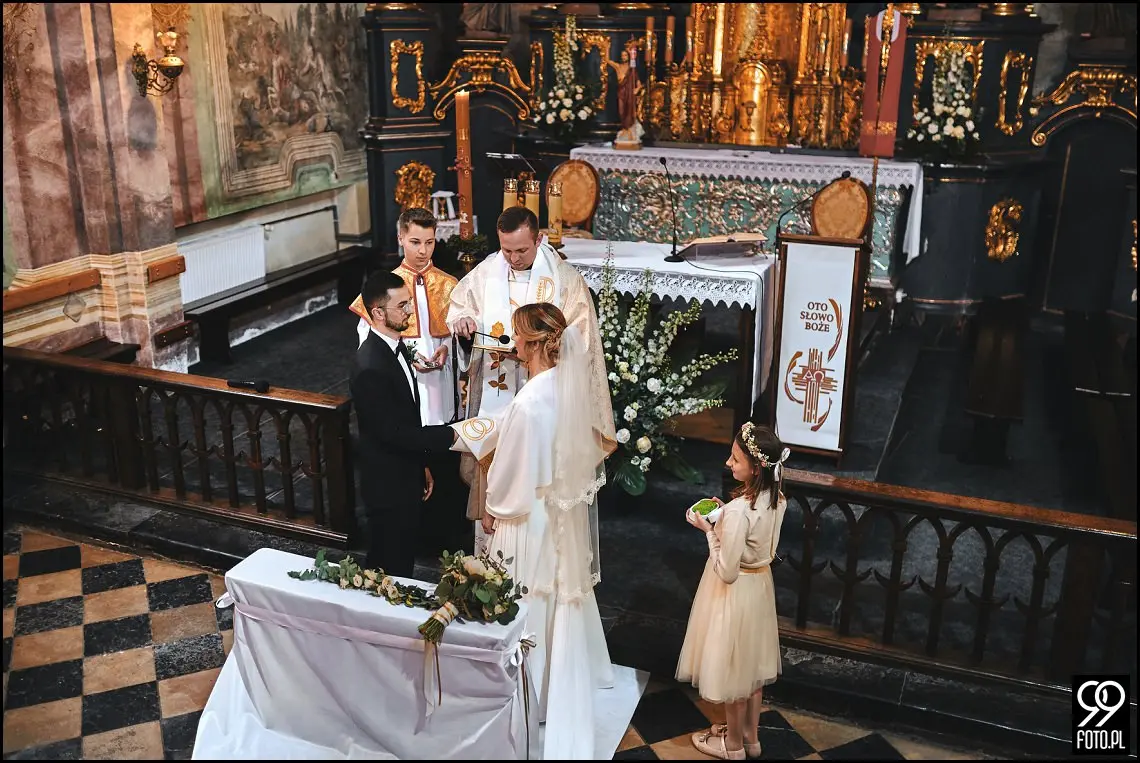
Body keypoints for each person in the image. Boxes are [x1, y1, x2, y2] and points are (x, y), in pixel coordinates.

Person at [451, 303, 613, 760]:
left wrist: (490, 508)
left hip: (524, 518)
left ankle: (521, 696)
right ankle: (547, 686)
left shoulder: (527, 400)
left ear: (532, 342)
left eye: (518, 335)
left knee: (521, 601)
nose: (514, 344)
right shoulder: (565, 385)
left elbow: (512, 476)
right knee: (553, 596)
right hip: (555, 514)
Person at [447, 206, 615, 552]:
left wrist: (539, 352)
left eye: (521, 250)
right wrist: (463, 322)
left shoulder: (566, 281)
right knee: (496, 468)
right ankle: (490, 557)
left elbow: (580, 342)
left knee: (539, 479)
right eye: (506, 249)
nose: (513, 258)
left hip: (543, 401)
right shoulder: (487, 273)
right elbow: (460, 305)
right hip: (498, 391)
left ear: (538, 239)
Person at [676, 422, 790, 760]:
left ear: (755, 468)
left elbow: (726, 571)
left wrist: (709, 530)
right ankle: (750, 738)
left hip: (736, 591)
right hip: (760, 587)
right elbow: (755, 538)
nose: (728, 463)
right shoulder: (776, 498)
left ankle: (732, 746)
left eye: (735, 459)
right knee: (752, 669)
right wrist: (724, 514)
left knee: (733, 668)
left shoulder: (740, 512)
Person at [350, 271, 457, 577]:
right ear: (378, 313)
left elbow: (406, 415)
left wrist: (421, 465)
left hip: (404, 475)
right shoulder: (370, 365)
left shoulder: (393, 348)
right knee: (388, 571)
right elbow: (391, 433)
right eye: (402, 306)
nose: (410, 311)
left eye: (409, 302)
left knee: (402, 562)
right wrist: (450, 435)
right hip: (387, 486)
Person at [351, 208, 458, 426]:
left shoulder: (449, 284)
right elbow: (368, 336)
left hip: (440, 374)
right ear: (401, 238)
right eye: (415, 242)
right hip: (401, 370)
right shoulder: (387, 286)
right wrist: (407, 355)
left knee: (441, 425)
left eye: (430, 242)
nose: (423, 251)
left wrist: (447, 346)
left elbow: (455, 330)